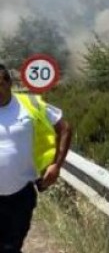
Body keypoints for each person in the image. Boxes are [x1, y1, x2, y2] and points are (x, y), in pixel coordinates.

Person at [0, 64, 71, 253]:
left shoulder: (31, 104)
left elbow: (64, 128)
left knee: (10, 247)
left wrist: (56, 165)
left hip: (20, 194)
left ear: (8, 83)